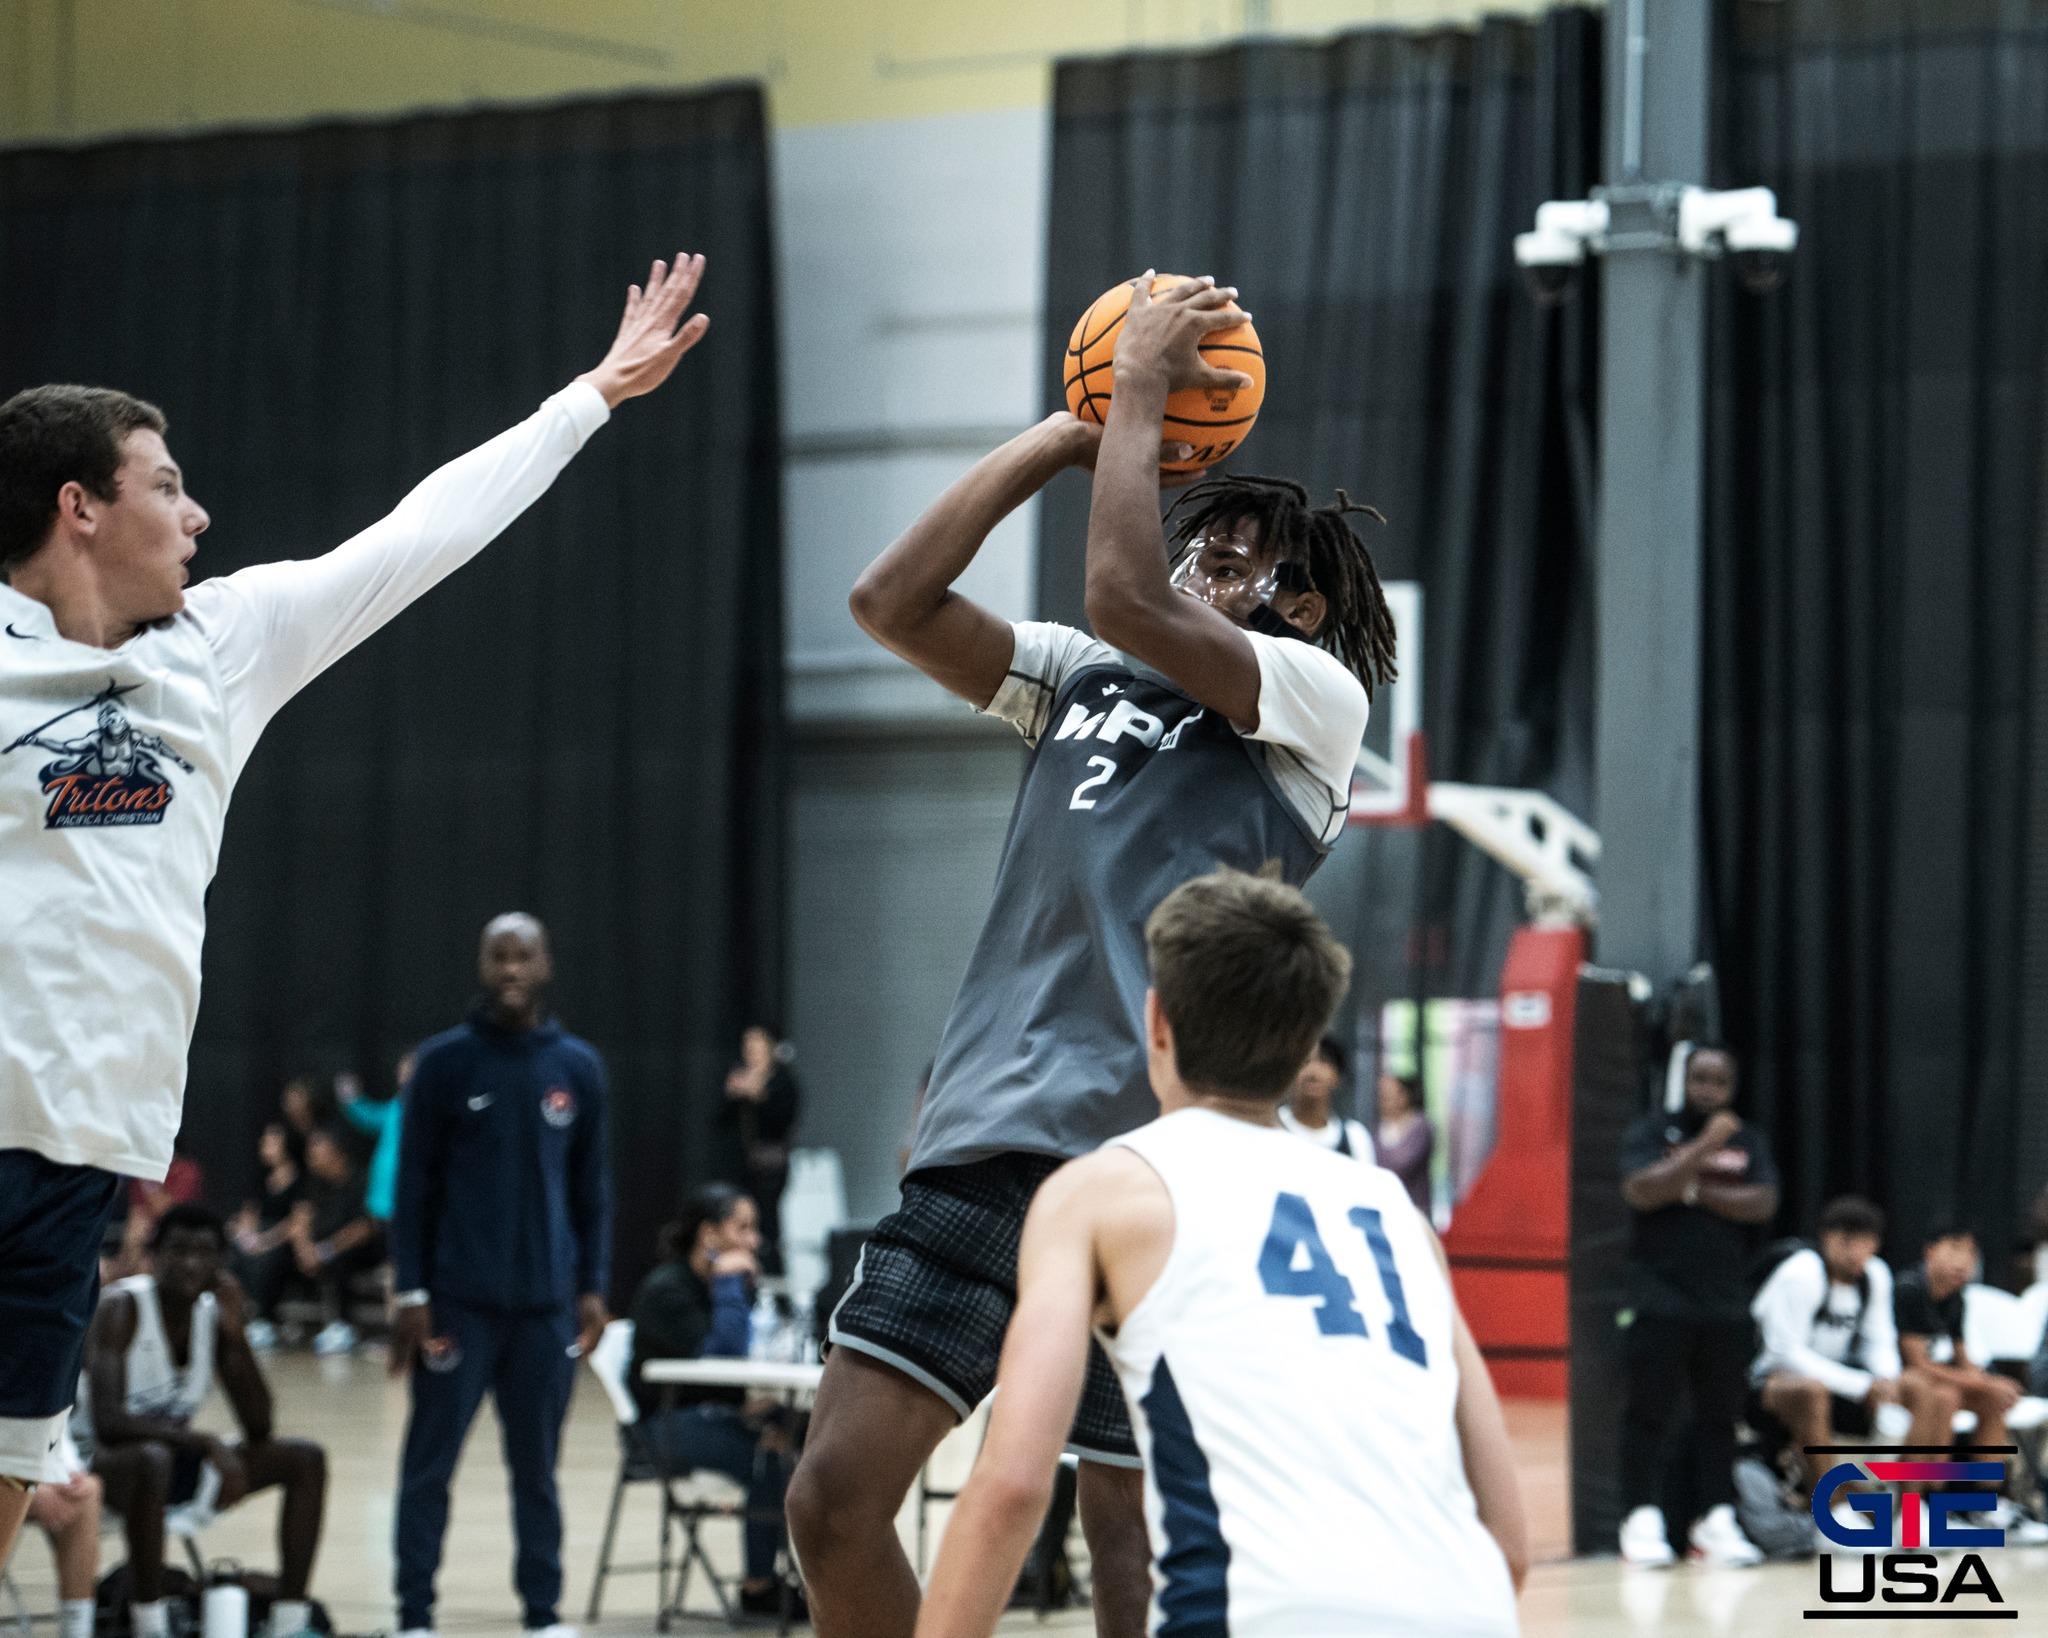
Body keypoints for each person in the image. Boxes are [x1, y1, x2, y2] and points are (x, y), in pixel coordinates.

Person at [0, 251, 707, 1565]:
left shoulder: (223, 645)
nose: (198, 512)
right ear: (78, 507)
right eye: (165, 485)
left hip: (77, 1159)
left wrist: (593, 396)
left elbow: (416, 535)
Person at [789, 275, 1391, 1638]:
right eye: (1200, 552)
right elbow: (890, 597)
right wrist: (1066, 435)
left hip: (1152, 1164)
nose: (1200, 572)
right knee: (831, 1501)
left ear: (1298, 610)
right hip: (987, 1132)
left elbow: (1122, 588)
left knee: (1132, 1546)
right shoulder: (1082, 677)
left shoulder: (1312, 705)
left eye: (1236, 566)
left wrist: (1130, 397)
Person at [915, 870, 1524, 1637]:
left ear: (1157, 1020)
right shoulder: (1394, 1212)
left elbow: (1009, 1486)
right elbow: (1509, 1545)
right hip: (1469, 1610)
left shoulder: (1102, 1191)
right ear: (1307, 1047)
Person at [388, 912, 614, 1638]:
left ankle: (543, 1617)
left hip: (545, 1311)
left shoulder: (577, 1068)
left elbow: (592, 1191)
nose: (511, 970)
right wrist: (412, 1290)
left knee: (538, 1474)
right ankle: (416, 1616)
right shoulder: (445, 1064)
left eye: (524, 957)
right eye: (498, 957)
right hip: (457, 1306)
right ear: (482, 966)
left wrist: (592, 1286)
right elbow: (413, 1187)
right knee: (430, 1467)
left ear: (546, 964)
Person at [78, 1205, 328, 1638]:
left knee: (305, 1457)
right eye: (177, 1250)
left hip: (174, 1460)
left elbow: (259, 1428)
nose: (190, 1263)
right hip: (99, 1468)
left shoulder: (212, 1315)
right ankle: (149, 1624)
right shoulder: (122, 1307)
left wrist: (236, 1335)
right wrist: (207, 1443)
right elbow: (108, 1422)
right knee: (152, 1458)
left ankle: (290, 1623)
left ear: (220, 1265)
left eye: (203, 1253)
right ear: (153, 1255)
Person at [1615, 1045, 1778, 1568]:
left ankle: (1715, 1518)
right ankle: (1640, 1516)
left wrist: (1686, 1190)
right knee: (1649, 1412)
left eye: (1718, 1080)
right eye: (1699, 1078)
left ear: (1732, 1086)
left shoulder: (1750, 1140)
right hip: (1660, 1299)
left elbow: (1762, 1203)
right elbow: (1641, 1191)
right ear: (1683, 1079)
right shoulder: (1651, 1131)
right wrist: (1705, 1147)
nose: (1707, 1088)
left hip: (1725, 1306)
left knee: (1720, 1418)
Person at [628, 1184, 800, 1619]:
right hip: (662, 1429)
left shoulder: (723, 1287)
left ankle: (808, 1575)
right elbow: (721, 1357)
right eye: (743, 1228)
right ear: (709, 1233)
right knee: (769, 1460)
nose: (754, 1241)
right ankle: (759, 1586)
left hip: (715, 1416)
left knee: (812, 1431)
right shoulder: (668, 1289)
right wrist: (727, 1282)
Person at [1748, 1196, 1909, 1503]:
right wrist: (1862, 1385)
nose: (1857, 1252)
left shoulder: (1875, 1275)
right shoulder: (1801, 1273)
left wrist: (1887, 1380)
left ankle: (1908, 1510)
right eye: (1848, 1242)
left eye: (1867, 1242)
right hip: (1769, 1385)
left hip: (1837, 1382)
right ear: (1827, 1238)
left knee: (1916, 1389)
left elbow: (1880, 1338)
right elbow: (1784, 1352)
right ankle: (1830, 1509)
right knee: (1811, 1392)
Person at [1893, 1222, 2047, 1538]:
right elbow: (1918, 1363)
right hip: (1898, 1382)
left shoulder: (1956, 1299)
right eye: (1955, 1251)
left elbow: (1964, 1360)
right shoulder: (1909, 1288)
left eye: (1971, 1254)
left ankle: (1985, 1504)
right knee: (1944, 1396)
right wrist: (1982, 1383)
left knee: (1994, 1399)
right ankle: (1918, 1505)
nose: (1963, 1263)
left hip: (1938, 1382)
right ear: (1930, 1252)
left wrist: (1993, 1383)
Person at [287, 1128, 382, 1355]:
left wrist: (324, 1251)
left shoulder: (361, 1180)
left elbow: (365, 1227)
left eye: (316, 1149)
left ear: (337, 1152)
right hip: (318, 1250)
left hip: (360, 1248)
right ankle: (267, 1320)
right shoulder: (314, 1183)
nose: (310, 1155)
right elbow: (300, 1218)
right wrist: (304, 1250)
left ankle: (342, 1326)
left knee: (340, 1260)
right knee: (279, 1258)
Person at [719, 1026, 800, 1276]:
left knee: (767, 1223)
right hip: (743, 1164)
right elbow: (719, 1121)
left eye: (756, 1044)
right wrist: (735, 1094)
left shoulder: (782, 1082)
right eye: (747, 1045)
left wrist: (760, 1096)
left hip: (771, 1164)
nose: (750, 1051)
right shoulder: (741, 1078)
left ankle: (772, 1274)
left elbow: (785, 1119)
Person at [229, 1122, 308, 1347]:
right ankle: (240, 1316)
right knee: (236, 1256)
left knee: (269, 1261)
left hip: (282, 1242)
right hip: (259, 1238)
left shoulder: (300, 1179)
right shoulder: (260, 1178)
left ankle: (265, 1319)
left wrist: (266, 1241)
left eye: (272, 1141)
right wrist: (247, 1236)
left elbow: (296, 1221)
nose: (265, 1145)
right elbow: (249, 1215)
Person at [24, 1432, 101, 1638]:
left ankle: (77, 1631)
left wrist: (71, 1478)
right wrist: (28, 1487)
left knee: (87, 1491)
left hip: (25, 1477)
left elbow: (56, 1435)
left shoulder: (52, 1398)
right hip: (13, 1478)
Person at [110, 1141, 207, 1280]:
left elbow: (168, 1212)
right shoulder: (141, 1174)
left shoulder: (186, 1170)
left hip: (182, 1232)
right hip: (147, 1240)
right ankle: (125, 1271)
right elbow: (136, 1211)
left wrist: (149, 1181)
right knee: (137, 1227)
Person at [338, 1051, 412, 1226]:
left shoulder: (427, 1109)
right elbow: (371, 1118)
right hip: (383, 1200)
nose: (403, 1076)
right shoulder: (396, 1106)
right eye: (401, 1071)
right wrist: (351, 1100)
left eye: (409, 1070)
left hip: (407, 1199)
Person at [1276, 1035, 1375, 1164]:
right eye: (1305, 1061)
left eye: (1323, 1061)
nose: (1313, 1072)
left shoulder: (1355, 1138)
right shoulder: (1270, 1127)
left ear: (1337, 1076)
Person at [1376, 1067, 1436, 1216]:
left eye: (1388, 1095)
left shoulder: (1420, 1126)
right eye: (1381, 1096)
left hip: (1414, 1211)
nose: (1383, 1101)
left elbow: (1402, 1164)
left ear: (1404, 1096)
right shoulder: (1377, 1129)